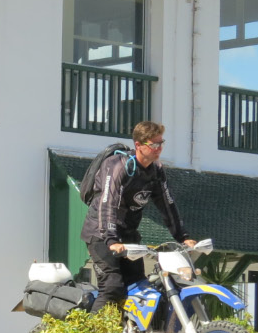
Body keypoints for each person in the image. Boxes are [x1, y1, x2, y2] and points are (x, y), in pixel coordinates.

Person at [80, 120, 195, 311]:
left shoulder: (156, 170)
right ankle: (93, 330)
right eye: (154, 144)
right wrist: (111, 239)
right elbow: (108, 202)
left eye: (161, 143)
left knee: (139, 288)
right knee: (112, 287)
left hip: (128, 235)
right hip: (100, 234)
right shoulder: (118, 165)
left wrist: (183, 237)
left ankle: (129, 329)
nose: (159, 148)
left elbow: (167, 204)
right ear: (139, 145)